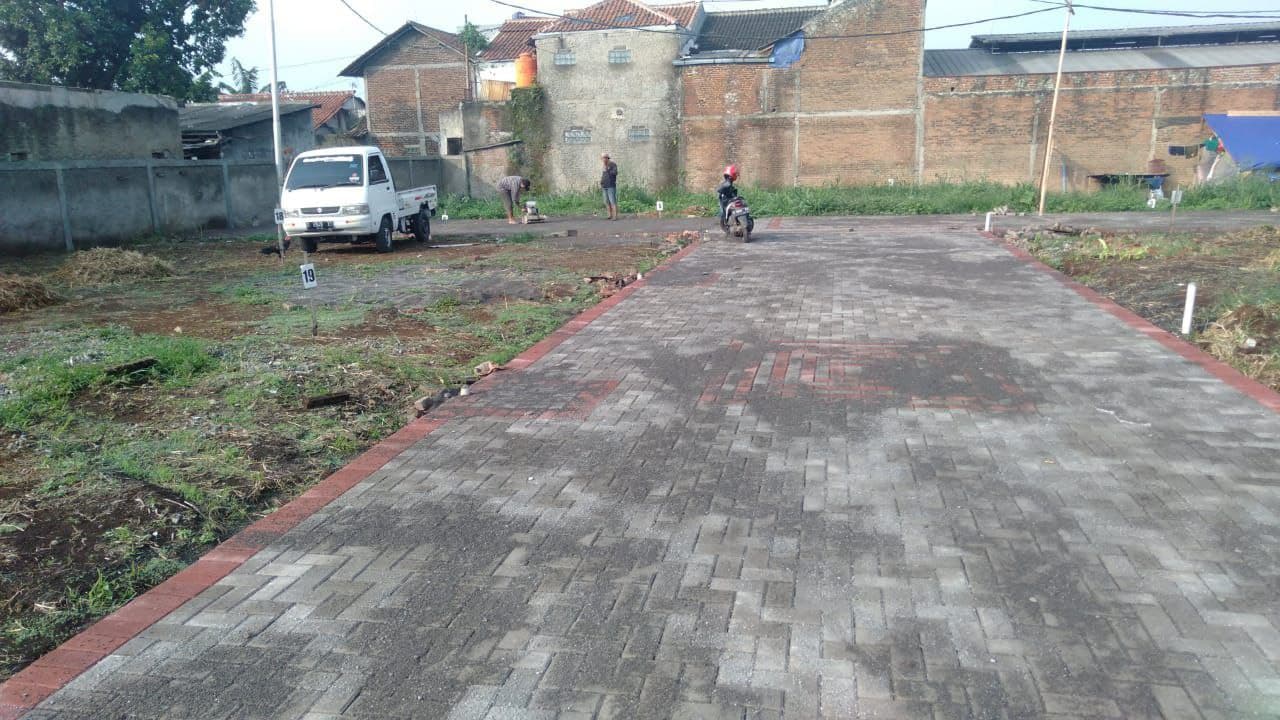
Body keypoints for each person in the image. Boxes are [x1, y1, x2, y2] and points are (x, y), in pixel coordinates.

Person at [717, 164, 739, 230]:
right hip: (725, 200)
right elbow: (720, 191)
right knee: (724, 212)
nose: (736, 176)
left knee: (724, 212)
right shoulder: (727, 184)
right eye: (735, 174)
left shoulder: (727, 183)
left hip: (726, 200)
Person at [600, 153, 619, 220]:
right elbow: (604, 175)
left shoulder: (612, 164)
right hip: (604, 186)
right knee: (606, 201)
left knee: (612, 201)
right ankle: (609, 215)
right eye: (602, 158)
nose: (602, 160)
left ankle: (615, 216)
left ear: (607, 158)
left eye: (603, 158)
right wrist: (601, 182)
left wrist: (608, 169)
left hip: (611, 186)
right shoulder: (604, 165)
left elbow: (615, 173)